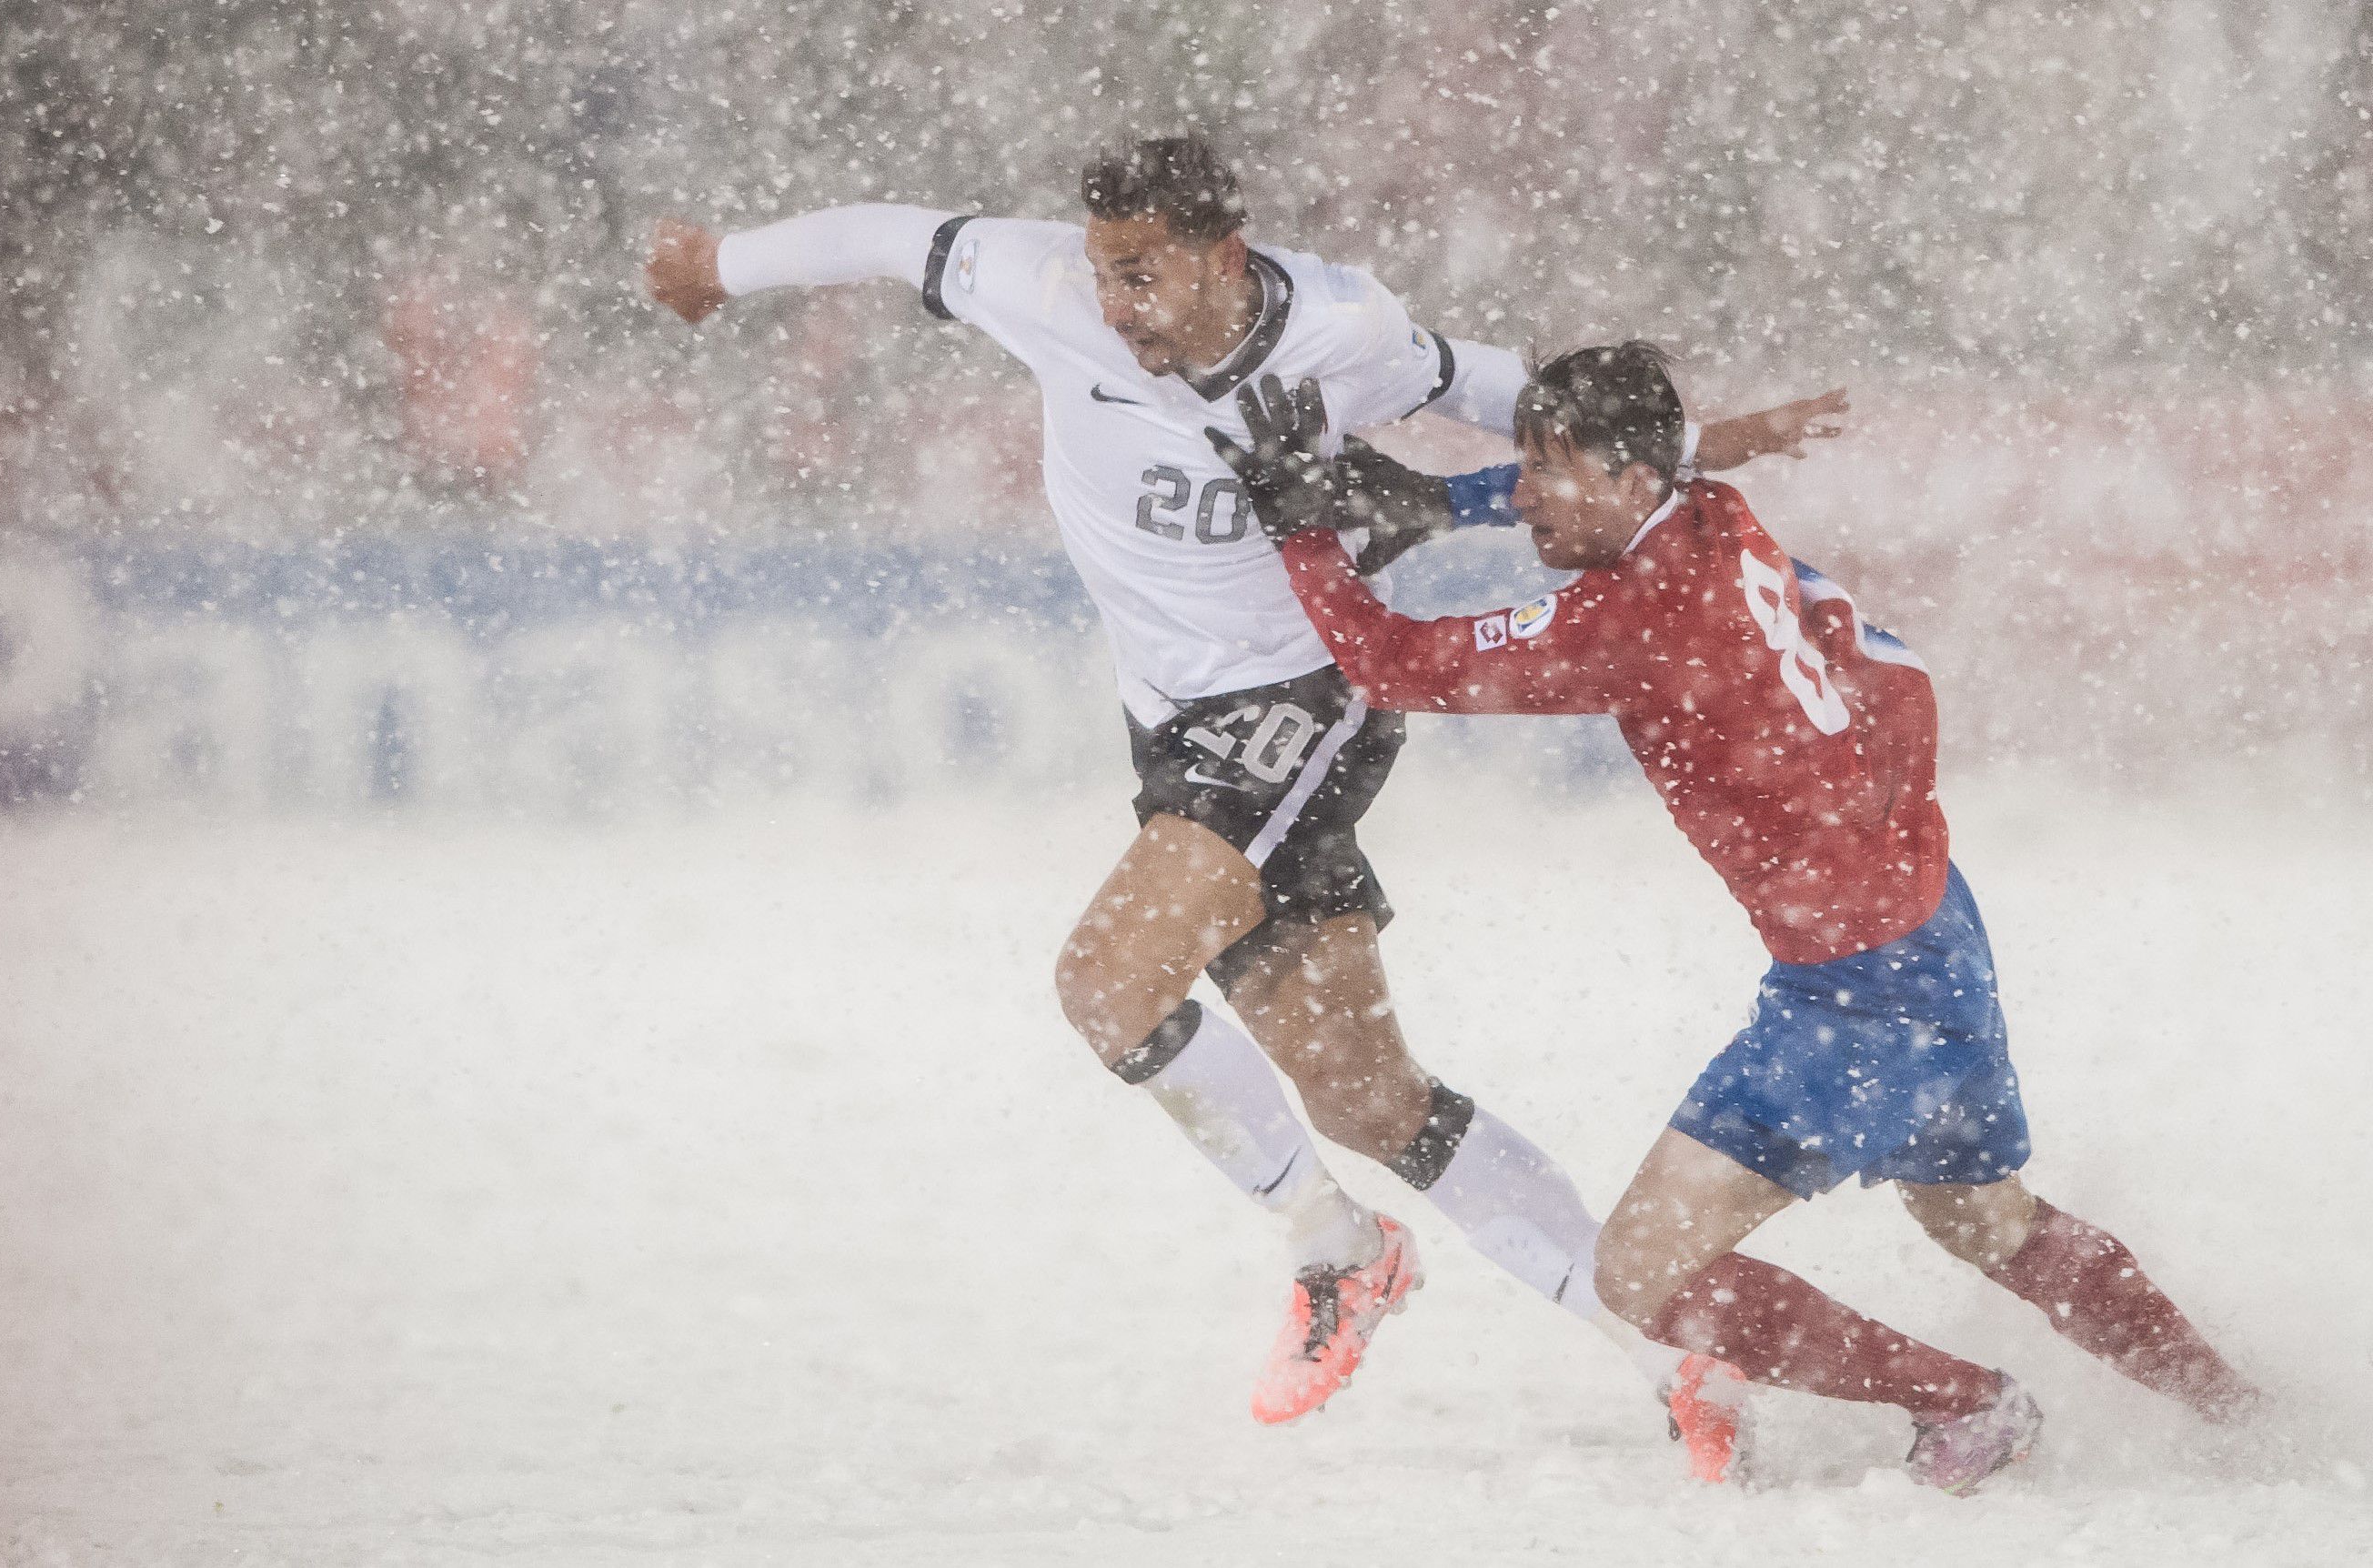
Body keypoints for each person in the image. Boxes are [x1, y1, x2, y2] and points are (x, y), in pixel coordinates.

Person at [642, 134, 1840, 1444]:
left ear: (1221, 256)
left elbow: (1505, 393)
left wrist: (1679, 449)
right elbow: (883, 232)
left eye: (1143, 275)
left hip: (1308, 697)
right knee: (1370, 1100)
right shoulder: (1038, 286)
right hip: (1173, 732)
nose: (1115, 304)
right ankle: (1670, 1362)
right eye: (1105, 273)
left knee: (1106, 981)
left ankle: (1336, 1252)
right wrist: (717, 265)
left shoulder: (1342, 327)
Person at [1213, 347, 2262, 1493]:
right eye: (1516, 465)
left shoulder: (1638, 617)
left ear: (1627, 478)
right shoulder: (1714, 511)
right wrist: (1426, 500)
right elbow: (1880, 661)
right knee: (1990, 1225)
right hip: (1933, 929)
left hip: (1856, 993)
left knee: (1640, 1275)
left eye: (1545, 469)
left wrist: (1302, 532)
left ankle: (1971, 1402)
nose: (1521, 492)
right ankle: (2243, 1414)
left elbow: (1388, 658)